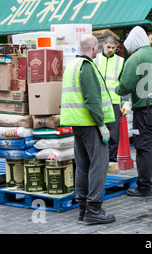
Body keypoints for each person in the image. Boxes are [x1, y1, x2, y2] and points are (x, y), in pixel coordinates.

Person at [60, 34, 116, 225]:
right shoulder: (87, 66)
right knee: (99, 165)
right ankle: (94, 208)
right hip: (90, 123)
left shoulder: (71, 66)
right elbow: (92, 99)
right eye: (98, 48)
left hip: (77, 123)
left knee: (83, 165)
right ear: (93, 47)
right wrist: (101, 124)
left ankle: (83, 208)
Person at [114, 26, 152, 197]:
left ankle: (145, 187)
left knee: (143, 148)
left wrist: (118, 90)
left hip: (145, 109)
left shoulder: (134, 59)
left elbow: (125, 85)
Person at [94, 35, 124, 163]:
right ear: (104, 44)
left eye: (113, 48)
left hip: (113, 102)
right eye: (108, 47)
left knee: (114, 134)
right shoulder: (95, 59)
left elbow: (123, 82)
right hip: (98, 102)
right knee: (97, 132)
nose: (111, 50)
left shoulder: (120, 61)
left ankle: (111, 160)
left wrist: (126, 102)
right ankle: (99, 159)